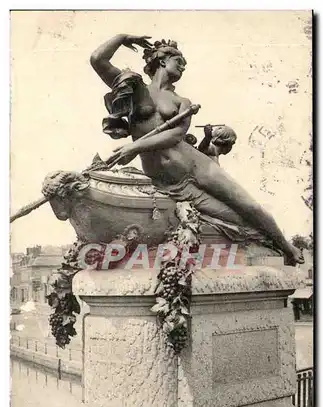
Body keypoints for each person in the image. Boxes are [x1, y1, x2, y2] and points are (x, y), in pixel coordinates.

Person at [90, 34, 303, 265]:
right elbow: (97, 59)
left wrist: (135, 146)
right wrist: (123, 37)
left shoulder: (183, 102)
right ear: (162, 61)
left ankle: (286, 246)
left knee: (248, 206)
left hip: (196, 166)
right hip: (167, 182)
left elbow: (176, 135)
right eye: (178, 60)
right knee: (235, 218)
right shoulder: (136, 88)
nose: (183, 66)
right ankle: (263, 246)